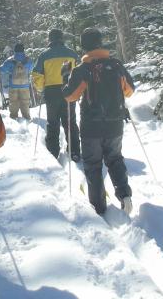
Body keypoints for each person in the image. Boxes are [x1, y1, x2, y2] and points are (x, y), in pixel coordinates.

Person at [61, 28, 135, 215]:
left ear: (83, 46)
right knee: (115, 159)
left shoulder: (82, 69)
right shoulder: (116, 65)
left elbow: (70, 96)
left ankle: (99, 207)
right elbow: (130, 91)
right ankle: (125, 196)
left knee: (93, 165)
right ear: (100, 43)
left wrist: (65, 78)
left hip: (91, 127)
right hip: (115, 124)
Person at [31, 29, 81, 161]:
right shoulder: (71, 54)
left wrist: (41, 89)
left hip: (51, 91)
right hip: (68, 90)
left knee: (53, 122)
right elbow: (77, 72)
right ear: (62, 39)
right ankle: (75, 151)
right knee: (70, 121)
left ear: (50, 39)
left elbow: (37, 75)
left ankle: (53, 151)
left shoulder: (44, 55)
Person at [0, 43, 34, 120]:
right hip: (25, 85)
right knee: (25, 102)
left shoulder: (10, 60)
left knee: (13, 102)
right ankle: (26, 117)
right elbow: (31, 68)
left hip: (13, 85)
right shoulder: (28, 60)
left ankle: (13, 117)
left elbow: (2, 69)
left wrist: (10, 71)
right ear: (23, 50)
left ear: (14, 50)